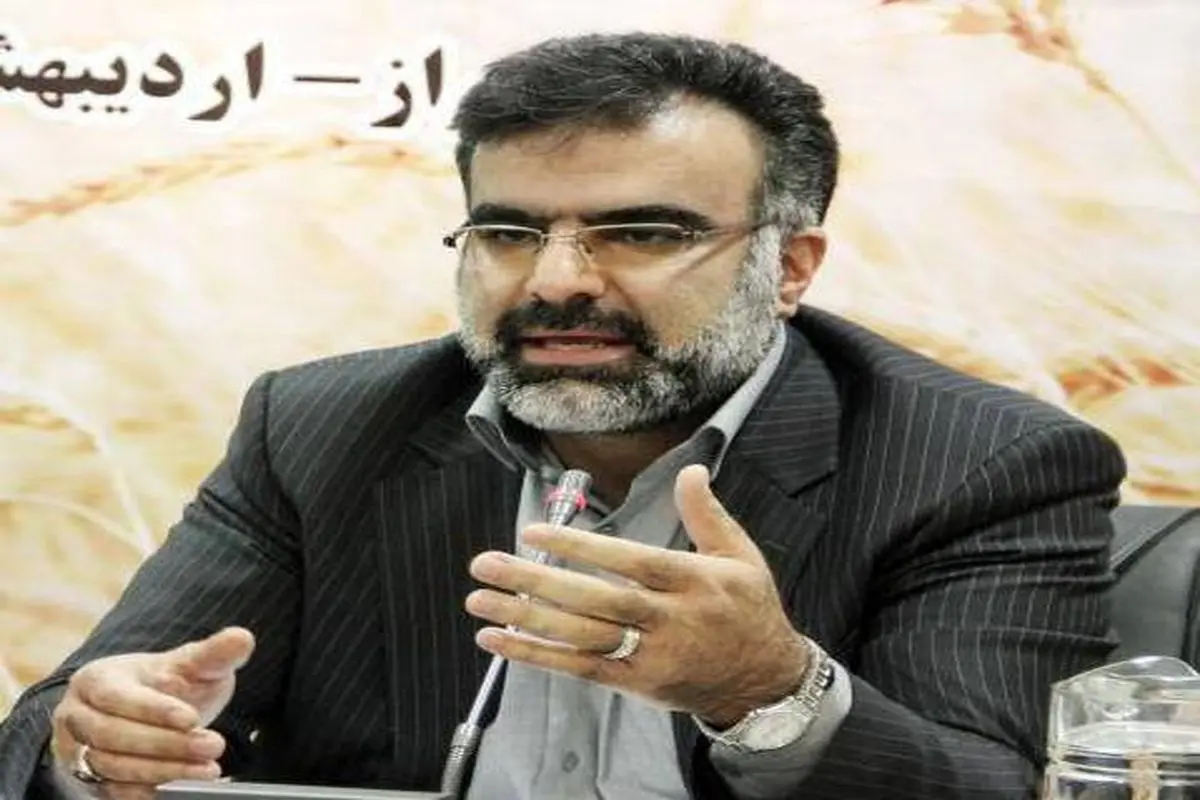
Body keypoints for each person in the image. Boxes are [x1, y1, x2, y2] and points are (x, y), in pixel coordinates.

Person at [0, 31, 1126, 800]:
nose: (555, 281)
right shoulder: (321, 427)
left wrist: (768, 689)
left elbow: (997, 784)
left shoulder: (982, 460)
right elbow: (51, 731)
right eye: (508, 232)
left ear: (790, 266)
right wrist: (92, 743)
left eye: (642, 233)